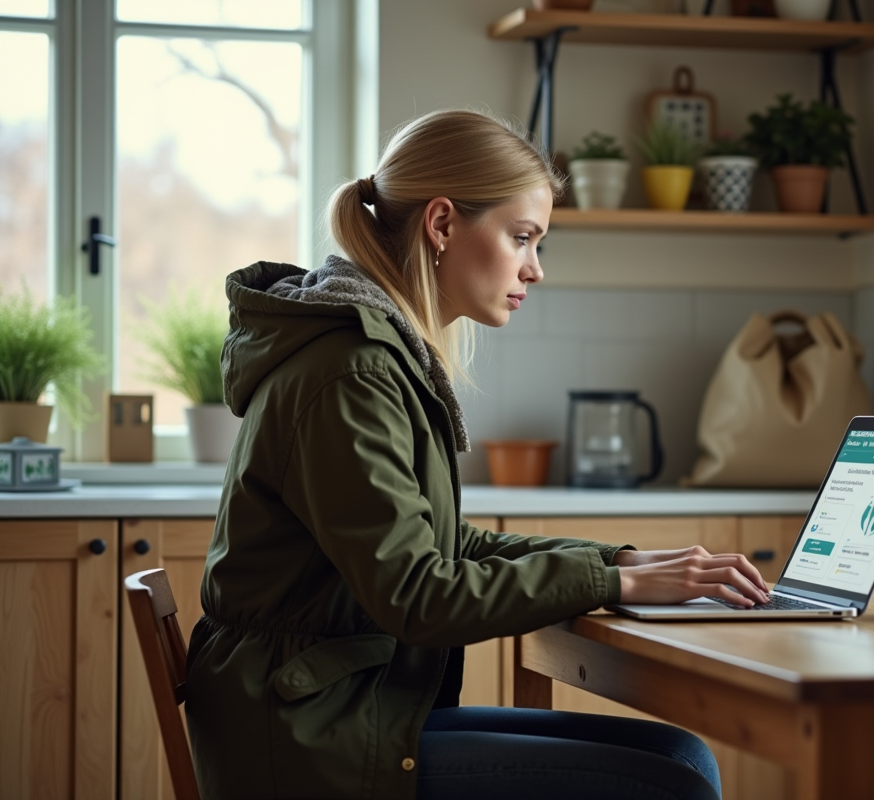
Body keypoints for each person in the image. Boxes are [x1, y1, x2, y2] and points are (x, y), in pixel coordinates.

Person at [186, 108, 771, 800]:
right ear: (441, 224)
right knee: (674, 785)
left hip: (340, 705)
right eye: (522, 237)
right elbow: (418, 594)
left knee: (683, 756)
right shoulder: (351, 373)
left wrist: (617, 563)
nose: (535, 269)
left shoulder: (373, 356)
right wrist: (612, 584)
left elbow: (444, 547)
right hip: (307, 736)